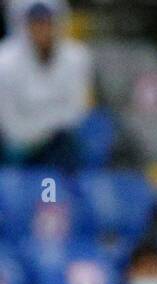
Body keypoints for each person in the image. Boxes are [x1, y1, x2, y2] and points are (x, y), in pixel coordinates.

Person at [0, 0, 92, 169]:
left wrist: (47, 131)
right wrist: (39, 133)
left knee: (74, 146)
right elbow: (9, 122)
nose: (41, 29)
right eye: (35, 23)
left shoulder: (77, 56)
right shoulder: (4, 61)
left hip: (59, 142)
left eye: (46, 22)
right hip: (16, 146)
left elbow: (76, 111)